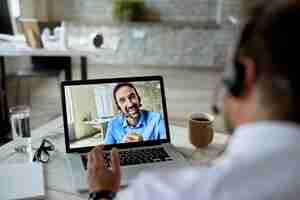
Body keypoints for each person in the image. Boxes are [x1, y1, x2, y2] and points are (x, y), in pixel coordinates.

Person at [88, 1, 300, 199]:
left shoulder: (158, 191)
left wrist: (101, 192)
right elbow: (108, 154)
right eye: (123, 101)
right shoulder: (114, 126)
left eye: (132, 96)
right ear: (119, 107)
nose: (129, 103)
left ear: (242, 75)